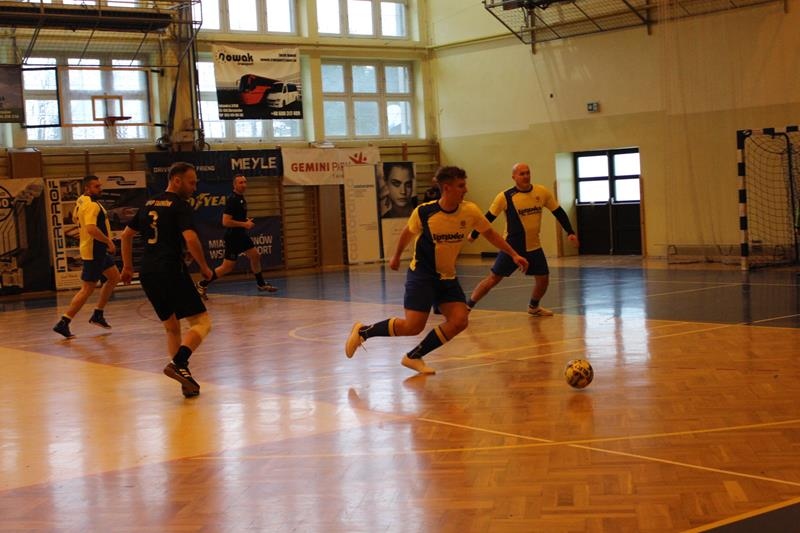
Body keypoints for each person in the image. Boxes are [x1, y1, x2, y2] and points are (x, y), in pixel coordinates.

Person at [345, 166, 529, 375]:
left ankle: (414, 356)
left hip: (447, 276)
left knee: (459, 320)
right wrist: (396, 256)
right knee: (413, 327)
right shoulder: (424, 212)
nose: (466, 189)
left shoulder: (470, 211)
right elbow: (407, 233)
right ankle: (363, 332)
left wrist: (513, 254)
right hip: (422, 275)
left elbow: (490, 234)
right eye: (461, 186)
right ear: (447, 188)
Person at [120, 162, 213, 398]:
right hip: (170, 270)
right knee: (202, 323)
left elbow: (126, 235)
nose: (194, 188)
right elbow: (190, 239)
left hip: (148, 273)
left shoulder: (148, 203)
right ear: (176, 180)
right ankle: (178, 363)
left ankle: (184, 380)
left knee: (172, 328)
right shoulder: (179, 205)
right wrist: (204, 266)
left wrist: (128, 266)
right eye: (191, 183)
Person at [467, 162, 579, 316]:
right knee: (494, 278)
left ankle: (533, 306)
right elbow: (488, 217)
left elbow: (558, 212)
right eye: (522, 174)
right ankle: (468, 306)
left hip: (534, 246)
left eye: (527, 173)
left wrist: (570, 231)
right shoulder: (505, 197)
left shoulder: (541, 192)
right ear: (514, 177)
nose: (526, 176)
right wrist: (474, 234)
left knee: (543, 278)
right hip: (511, 247)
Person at [53, 175, 121, 339]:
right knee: (87, 289)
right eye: (96, 186)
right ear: (87, 188)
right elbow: (91, 229)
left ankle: (98, 313)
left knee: (114, 277)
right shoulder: (91, 205)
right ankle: (64, 322)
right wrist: (108, 241)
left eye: (100, 185)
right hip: (94, 250)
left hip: (98, 250)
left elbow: (78, 220)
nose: (100, 189)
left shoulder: (82, 200)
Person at [196, 175, 278, 298]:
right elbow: (225, 222)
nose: (244, 185)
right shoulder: (233, 200)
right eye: (241, 183)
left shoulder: (241, 198)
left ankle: (261, 284)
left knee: (255, 256)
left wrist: (244, 220)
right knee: (227, 267)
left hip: (241, 235)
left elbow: (236, 217)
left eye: (245, 182)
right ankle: (202, 284)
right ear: (234, 185)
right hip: (233, 238)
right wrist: (244, 224)